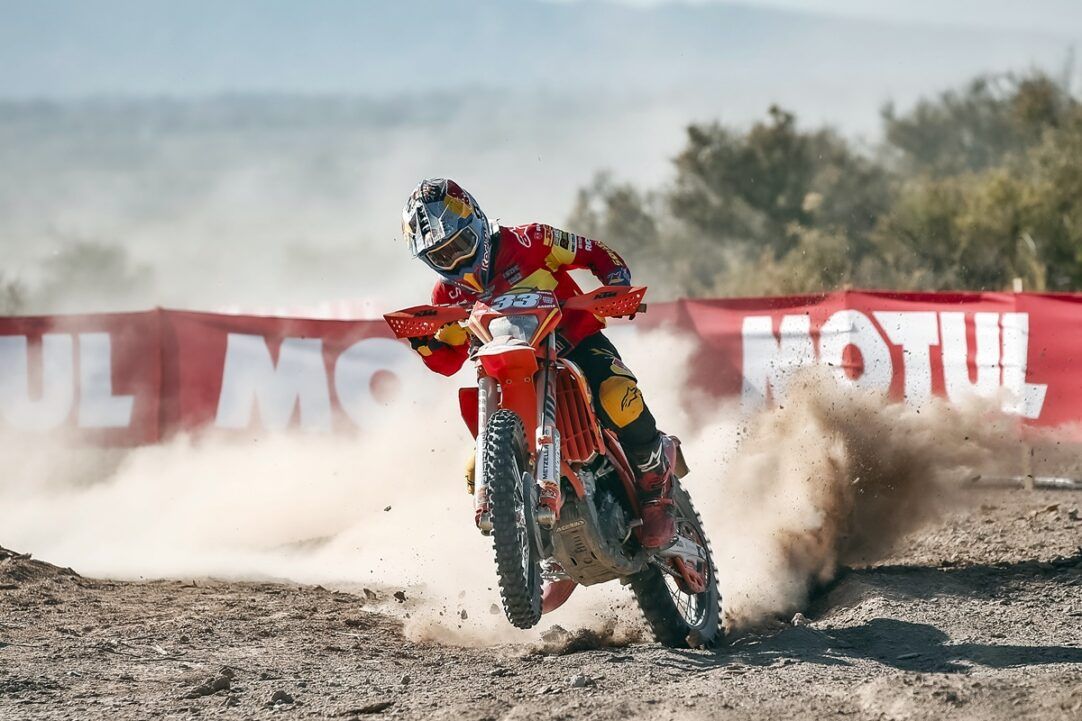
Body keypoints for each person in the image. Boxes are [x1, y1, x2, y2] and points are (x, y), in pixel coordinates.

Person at [401, 178, 677, 549]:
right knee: (473, 469)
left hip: (575, 343)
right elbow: (450, 361)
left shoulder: (532, 239)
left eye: (460, 245)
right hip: (509, 374)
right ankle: (531, 544)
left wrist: (617, 284)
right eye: (440, 256)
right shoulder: (445, 293)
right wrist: (423, 344)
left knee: (617, 396)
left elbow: (595, 252)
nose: (455, 261)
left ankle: (654, 483)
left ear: (477, 222)